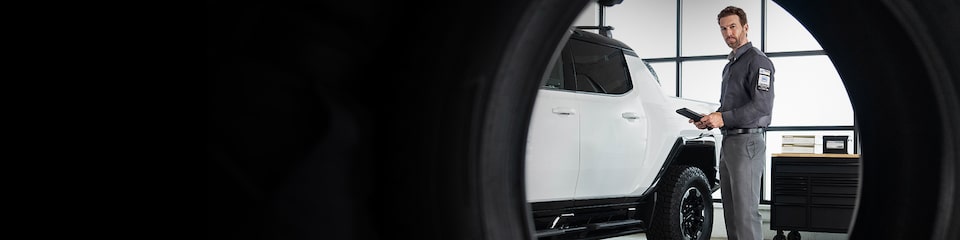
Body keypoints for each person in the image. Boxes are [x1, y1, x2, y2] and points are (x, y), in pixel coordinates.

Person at [689, 6, 775, 240]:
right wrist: (710, 120)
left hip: (747, 143)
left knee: (745, 214)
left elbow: (761, 106)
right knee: (732, 213)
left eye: (733, 26)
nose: (728, 33)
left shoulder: (758, 61)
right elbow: (729, 108)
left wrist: (723, 118)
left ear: (745, 27)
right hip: (729, 142)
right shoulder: (730, 65)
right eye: (723, 29)